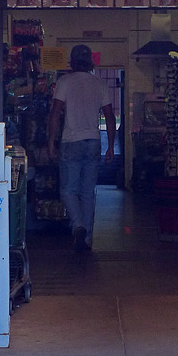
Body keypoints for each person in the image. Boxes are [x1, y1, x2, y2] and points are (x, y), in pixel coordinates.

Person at [48, 45, 115, 252]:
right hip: (93, 141)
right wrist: (110, 145)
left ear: (72, 61)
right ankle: (86, 240)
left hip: (71, 141)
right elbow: (110, 117)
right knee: (87, 193)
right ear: (90, 62)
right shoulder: (99, 84)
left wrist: (51, 143)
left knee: (68, 190)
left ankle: (78, 225)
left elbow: (54, 115)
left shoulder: (64, 82)